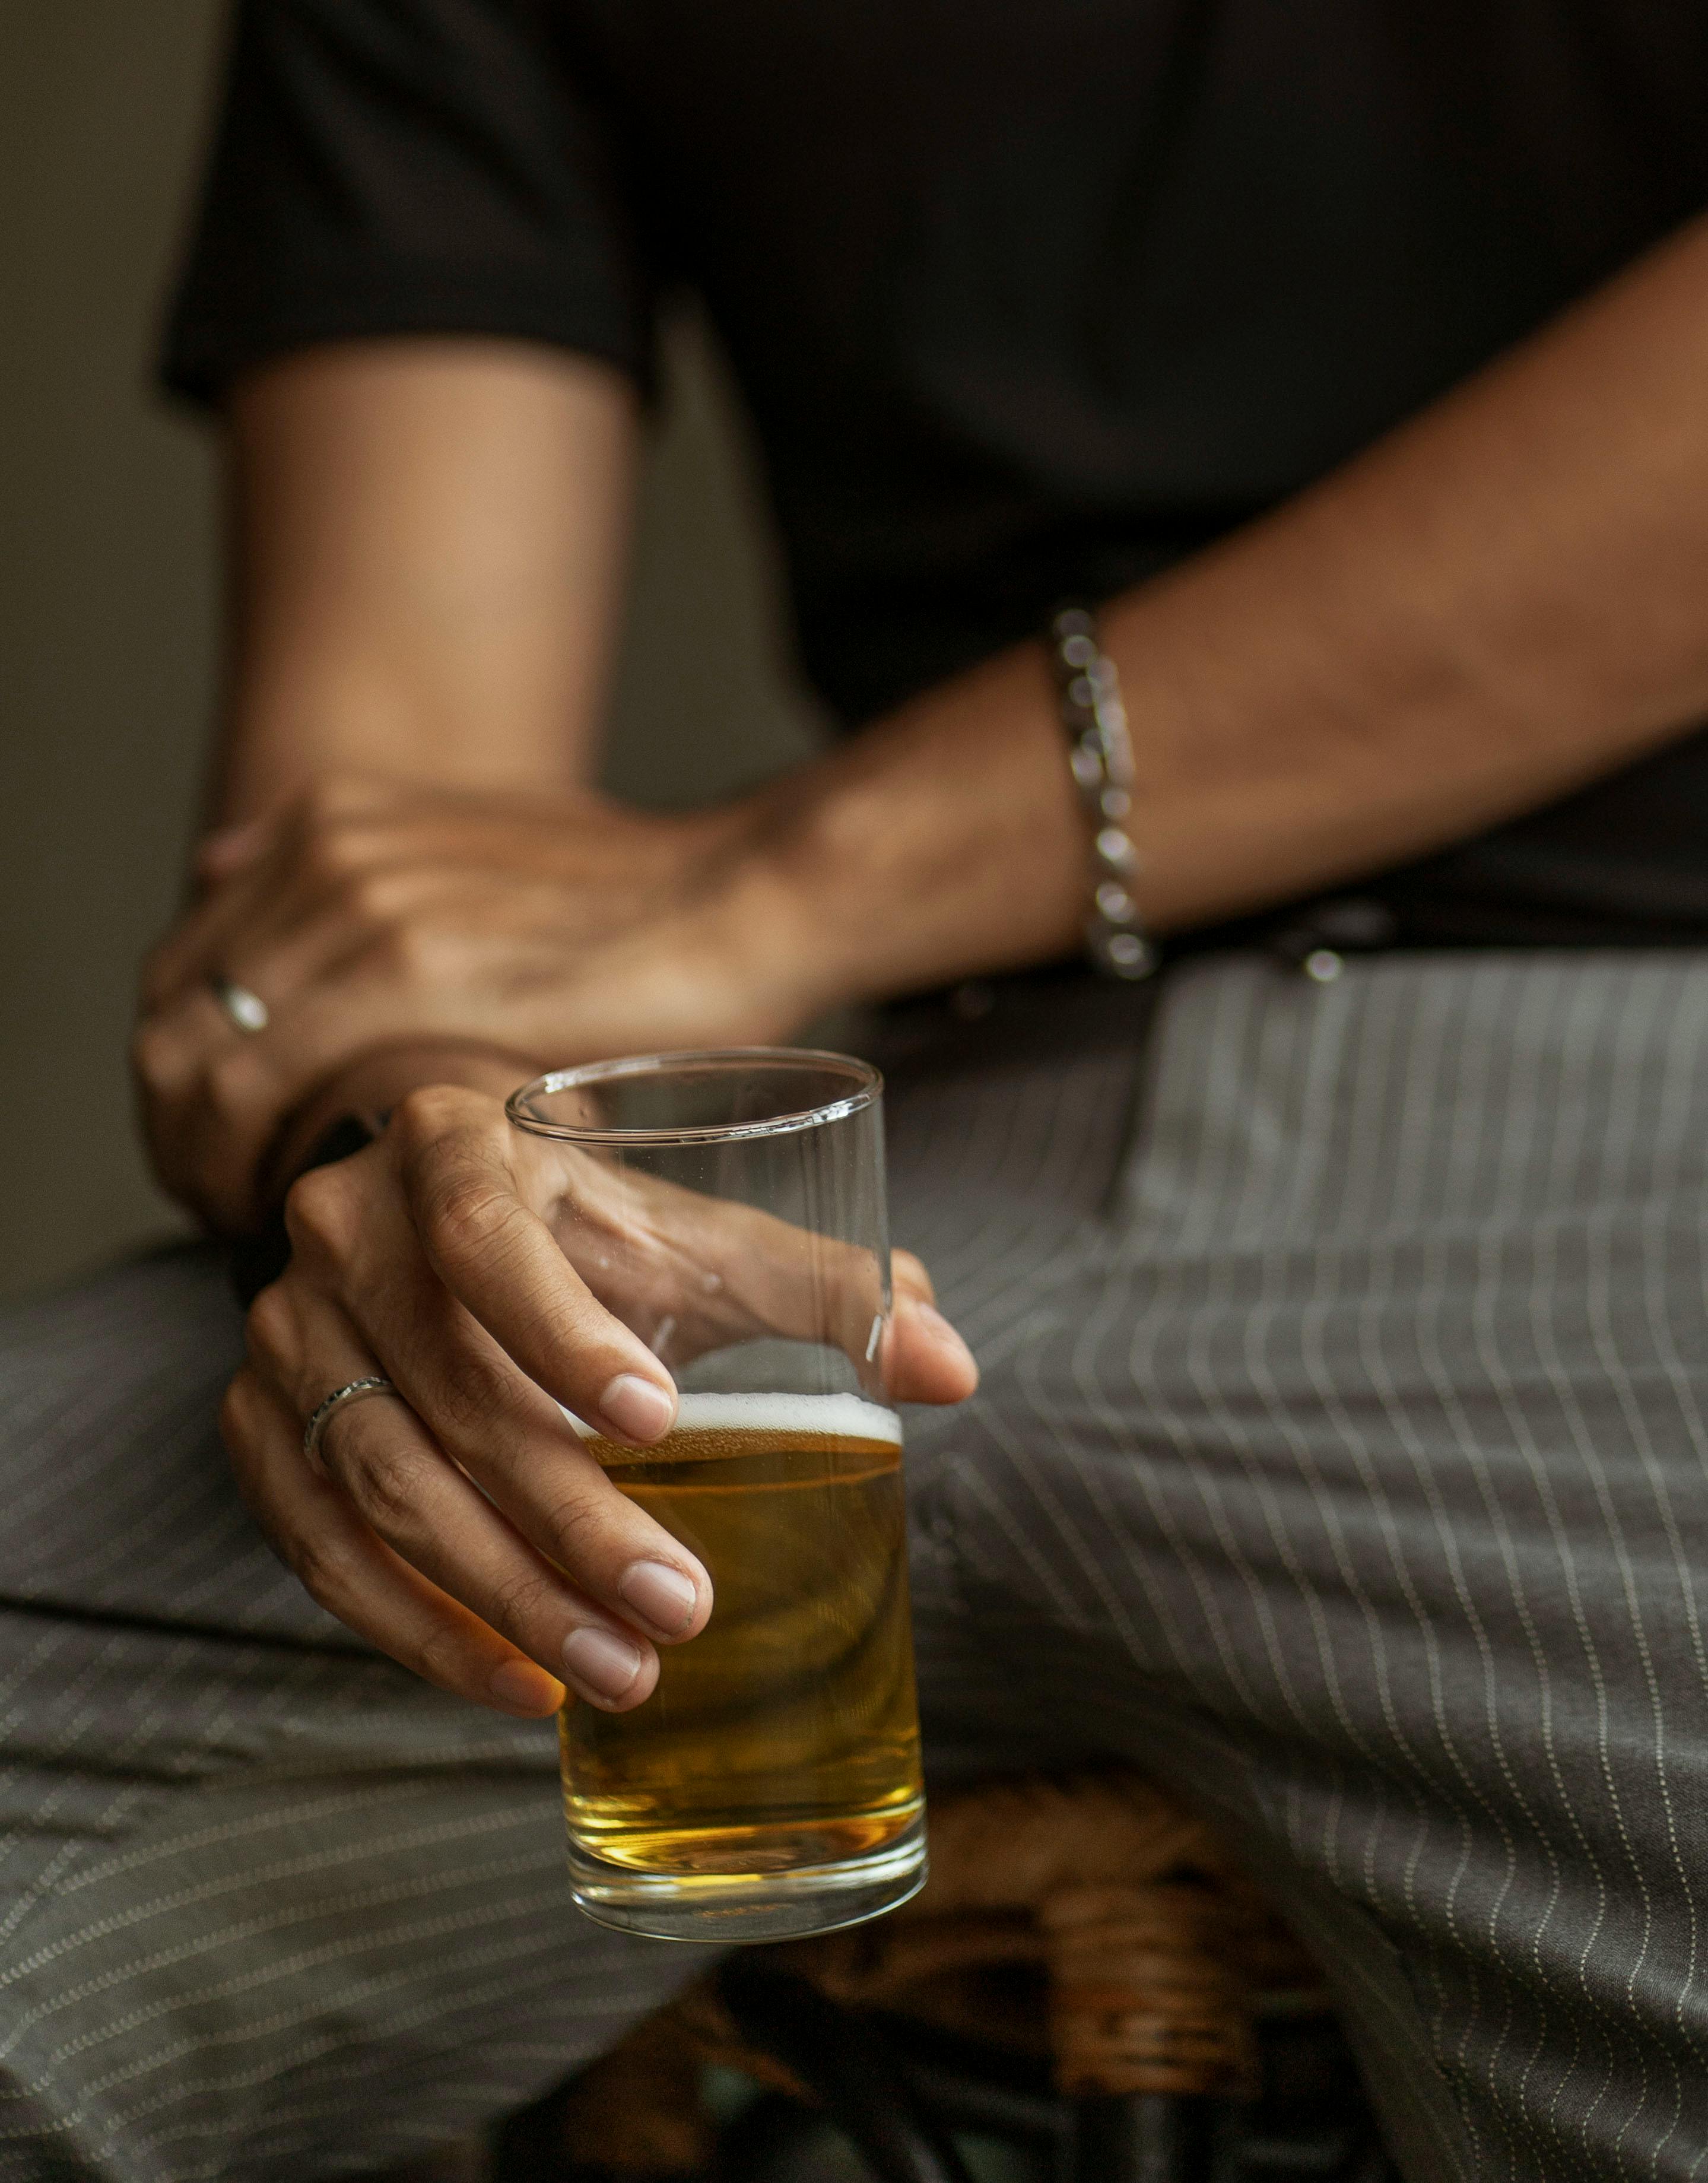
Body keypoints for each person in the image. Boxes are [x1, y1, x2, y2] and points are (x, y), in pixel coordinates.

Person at [7, 0, 1708, 2175]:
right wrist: (440, 1160)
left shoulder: (787, 889)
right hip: (871, 1188)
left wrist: (790, 877)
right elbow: (390, 847)